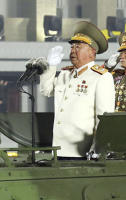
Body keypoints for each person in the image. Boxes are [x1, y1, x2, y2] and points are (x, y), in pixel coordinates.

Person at [38, 21, 115, 158]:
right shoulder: (65, 74)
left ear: (92, 52)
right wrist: (50, 67)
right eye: (72, 47)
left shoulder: (101, 77)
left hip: (82, 152)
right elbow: (46, 90)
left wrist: (98, 148)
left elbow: (105, 120)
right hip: (58, 150)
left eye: (78, 47)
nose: (73, 50)